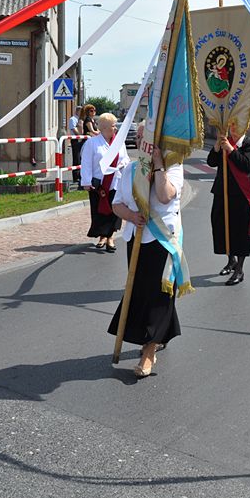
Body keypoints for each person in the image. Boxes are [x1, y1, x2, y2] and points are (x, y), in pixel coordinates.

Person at [108, 124, 183, 378]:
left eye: (147, 137)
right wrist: (131, 215)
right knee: (140, 290)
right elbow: (116, 204)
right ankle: (159, 334)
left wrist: (159, 165)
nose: (142, 141)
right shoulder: (130, 169)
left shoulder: (174, 166)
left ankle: (149, 351)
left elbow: (164, 196)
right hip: (137, 237)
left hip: (162, 239)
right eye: (139, 137)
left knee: (160, 292)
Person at [207, 120, 250, 285]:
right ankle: (230, 260)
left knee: (241, 231)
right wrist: (217, 146)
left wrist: (231, 150)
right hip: (222, 192)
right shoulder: (224, 141)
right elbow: (211, 162)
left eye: (237, 126)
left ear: (245, 127)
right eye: (231, 125)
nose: (233, 129)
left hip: (242, 195)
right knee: (221, 226)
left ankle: (239, 268)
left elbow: (246, 165)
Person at [81, 113, 129, 251]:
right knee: (100, 210)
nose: (115, 128)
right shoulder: (92, 143)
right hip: (99, 184)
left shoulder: (119, 143)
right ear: (105, 127)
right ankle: (102, 236)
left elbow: (125, 158)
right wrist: (86, 181)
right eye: (113, 126)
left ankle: (110, 237)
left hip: (115, 182)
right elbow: (86, 163)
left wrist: (122, 164)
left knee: (115, 211)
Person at [69, 105, 83, 183]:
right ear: (77, 111)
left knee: (81, 158)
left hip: (81, 140)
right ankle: (76, 177)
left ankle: (80, 175)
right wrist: (81, 135)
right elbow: (74, 130)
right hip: (75, 140)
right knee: (76, 158)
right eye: (81, 111)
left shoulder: (80, 119)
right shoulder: (73, 119)